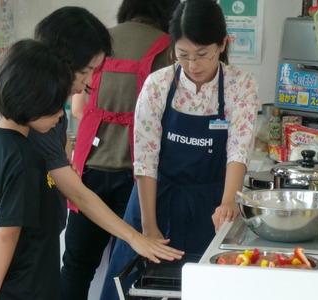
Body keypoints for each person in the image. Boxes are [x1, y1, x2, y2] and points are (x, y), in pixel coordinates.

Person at [101, 0, 259, 298]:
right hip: (155, 198)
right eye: (183, 54)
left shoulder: (241, 85)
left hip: (209, 205)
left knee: (202, 287)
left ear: (223, 43)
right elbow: (145, 160)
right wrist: (149, 227)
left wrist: (228, 203)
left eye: (202, 55)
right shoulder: (158, 85)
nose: (193, 65)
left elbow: (239, 149)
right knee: (134, 287)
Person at [28, 4, 184, 289]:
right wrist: (138, 234)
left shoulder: (50, 117)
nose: (88, 83)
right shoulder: (165, 48)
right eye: (87, 73)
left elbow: (80, 191)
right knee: (125, 268)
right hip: (135, 173)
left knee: (75, 266)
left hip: (89, 167)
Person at [0, 39, 73, 300]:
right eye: (55, 105)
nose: (61, 114)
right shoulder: (25, 159)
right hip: (22, 287)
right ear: (32, 100)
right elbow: (7, 234)